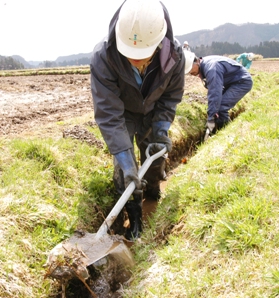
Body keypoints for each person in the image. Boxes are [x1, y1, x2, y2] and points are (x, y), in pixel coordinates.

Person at [90, 0, 185, 240]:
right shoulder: (104, 58)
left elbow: (170, 97)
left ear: (158, 43)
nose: (135, 61)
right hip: (123, 114)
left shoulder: (174, 56)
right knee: (125, 172)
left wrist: (161, 130)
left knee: (154, 162)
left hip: (153, 112)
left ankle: (153, 194)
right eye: (129, 55)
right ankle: (134, 219)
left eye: (141, 56)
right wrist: (124, 158)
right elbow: (109, 115)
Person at [185, 53, 253, 133]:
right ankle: (221, 129)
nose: (190, 73)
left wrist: (210, 118)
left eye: (190, 70)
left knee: (220, 108)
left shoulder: (211, 68)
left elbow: (215, 92)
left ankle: (227, 133)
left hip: (241, 82)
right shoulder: (205, 64)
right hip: (232, 81)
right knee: (216, 107)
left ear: (196, 62)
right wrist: (212, 112)